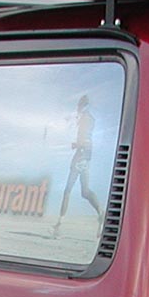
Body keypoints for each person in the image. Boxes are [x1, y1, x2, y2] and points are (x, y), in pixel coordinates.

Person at [53, 94, 104, 236]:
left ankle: (59, 225)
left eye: (79, 105)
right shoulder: (90, 119)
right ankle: (100, 211)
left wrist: (74, 144)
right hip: (86, 157)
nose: (77, 108)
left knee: (67, 190)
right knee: (85, 191)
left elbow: (83, 140)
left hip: (80, 156)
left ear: (82, 106)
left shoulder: (84, 120)